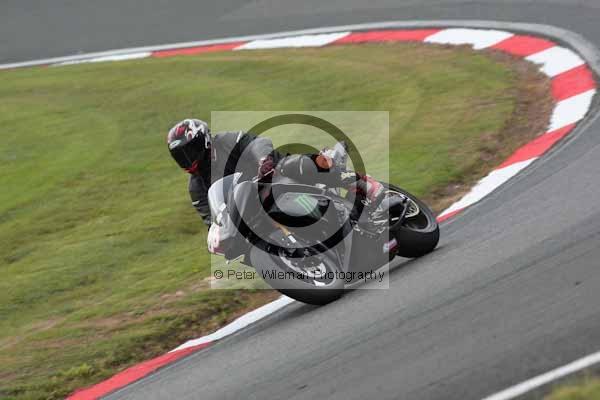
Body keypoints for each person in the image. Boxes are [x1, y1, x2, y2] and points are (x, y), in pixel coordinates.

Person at [166, 118, 384, 227]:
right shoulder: (196, 188)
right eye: (181, 156)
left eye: (190, 151)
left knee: (291, 165)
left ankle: (360, 183)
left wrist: (263, 160)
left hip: (274, 174)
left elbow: (256, 142)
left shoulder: (225, 141)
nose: (187, 158)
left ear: (203, 140)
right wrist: (220, 231)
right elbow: (211, 220)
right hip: (253, 204)